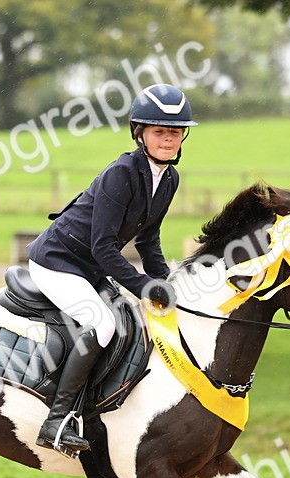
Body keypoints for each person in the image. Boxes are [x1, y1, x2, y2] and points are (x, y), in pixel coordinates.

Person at [26, 83, 196, 455]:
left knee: (130, 322)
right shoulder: (122, 173)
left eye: (176, 132)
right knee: (102, 324)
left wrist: (165, 283)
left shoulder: (169, 179)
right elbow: (103, 246)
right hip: (57, 261)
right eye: (160, 131)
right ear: (140, 133)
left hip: (90, 268)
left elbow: (148, 239)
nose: (169, 139)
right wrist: (144, 287)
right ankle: (56, 421)